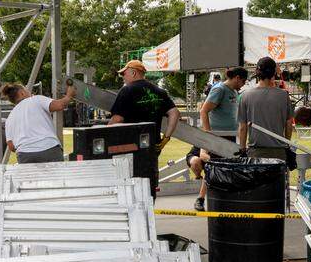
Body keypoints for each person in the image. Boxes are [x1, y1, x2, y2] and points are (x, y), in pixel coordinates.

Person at [109, 59, 180, 191]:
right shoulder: (159, 92)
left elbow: (117, 119)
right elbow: (175, 113)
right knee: (149, 185)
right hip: (152, 146)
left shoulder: (126, 91)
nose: (123, 77)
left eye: (124, 74)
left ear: (134, 73)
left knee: (128, 187)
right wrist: (166, 138)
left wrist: (106, 136)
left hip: (128, 146)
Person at [193, 66, 248, 210]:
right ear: (237, 78)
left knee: (227, 168)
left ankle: (226, 200)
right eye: (243, 81)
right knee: (214, 168)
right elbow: (204, 111)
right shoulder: (219, 89)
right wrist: (208, 133)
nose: (243, 84)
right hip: (217, 137)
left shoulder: (234, 92)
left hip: (230, 136)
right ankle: (200, 199)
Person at [0, 82, 75, 163]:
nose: (30, 92)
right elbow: (59, 105)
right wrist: (69, 95)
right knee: (55, 176)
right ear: (22, 93)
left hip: (24, 155)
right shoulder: (36, 99)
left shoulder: (10, 118)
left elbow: (11, 146)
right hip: (48, 148)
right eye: (27, 90)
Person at [237, 56, 293, 161]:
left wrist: (242, 149)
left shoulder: (245, 96)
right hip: (279, 152)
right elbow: (289, 124)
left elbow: (243, 127)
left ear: (257, 72)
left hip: (255, 153)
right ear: (274, 73)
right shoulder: (284, 95)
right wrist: (287, 145)